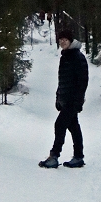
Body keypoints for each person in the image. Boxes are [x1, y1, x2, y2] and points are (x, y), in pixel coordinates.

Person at [39, 26, 89, 168]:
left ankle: (54, 156)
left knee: (60, 125)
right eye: (60, 40)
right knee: (74, 127)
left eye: (65, 40)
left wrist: (78, 100)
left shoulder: (78, 57)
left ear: (70, 40)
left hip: (73, 100)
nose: (62, 42)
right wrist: (58, 98)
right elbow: (62, 80)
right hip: (65, 99)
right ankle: (78, 157)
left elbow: (83, 81)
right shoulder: (65, 56)